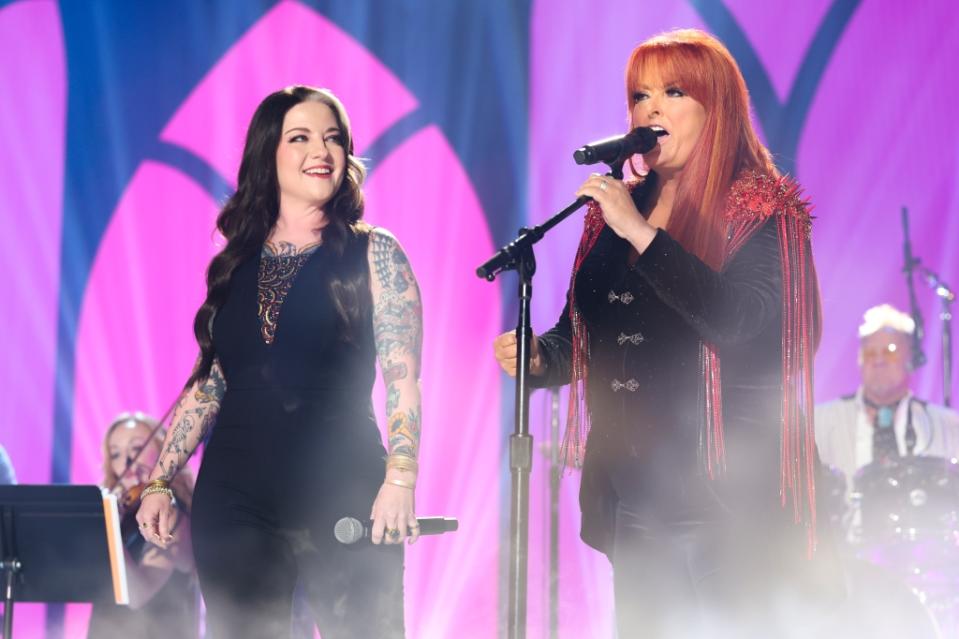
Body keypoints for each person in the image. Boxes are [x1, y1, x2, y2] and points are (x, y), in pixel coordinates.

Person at [494, 29, 836, 637]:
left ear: (718, 107)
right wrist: (540, 358)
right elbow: (588, 331)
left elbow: (748, 326)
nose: (650, 110)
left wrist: (645, 237)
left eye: (673, 92)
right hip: (636, 497)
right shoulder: (613, 209)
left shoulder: (762, 210)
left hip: (727, 501)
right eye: (639, 95)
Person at [135, 86, 423, 638]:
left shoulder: (374, 253)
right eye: (301, 138)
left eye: (334, 138)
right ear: (269, 153)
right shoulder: (234, 263)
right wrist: (159, 480)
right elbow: (211, 381)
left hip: (341, 485)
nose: (323, 150)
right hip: (236, 496)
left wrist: (401, 477)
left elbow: (404, 379)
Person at [816, 303, 959, 483]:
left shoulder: (949, 426)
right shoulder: (818, 422)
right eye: (870, 353)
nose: (879, 360)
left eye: (890, 351)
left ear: (911, 359)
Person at [88, 412, 198, 639]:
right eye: (115, 453)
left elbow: (137, 595)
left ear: (160, 451)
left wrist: (110, 531)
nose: (126, 462)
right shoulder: (123, 515)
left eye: (136, 449)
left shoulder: (172, 516)